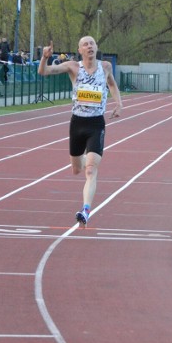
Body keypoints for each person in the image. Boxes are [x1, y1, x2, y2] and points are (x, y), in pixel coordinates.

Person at [38, 37, 122, 226]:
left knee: (91, 170)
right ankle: (86, 159)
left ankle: (85, 210)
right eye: (85, 44)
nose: (89, 46)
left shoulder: (106, 66)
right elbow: (43, 72)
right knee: (77, 169)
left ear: (96, 47)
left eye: (92, 43)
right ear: (80, 50)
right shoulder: (73, 67)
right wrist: (44, 58)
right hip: (77, 123)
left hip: (96, 124)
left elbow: (112, 84)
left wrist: (119, 104)